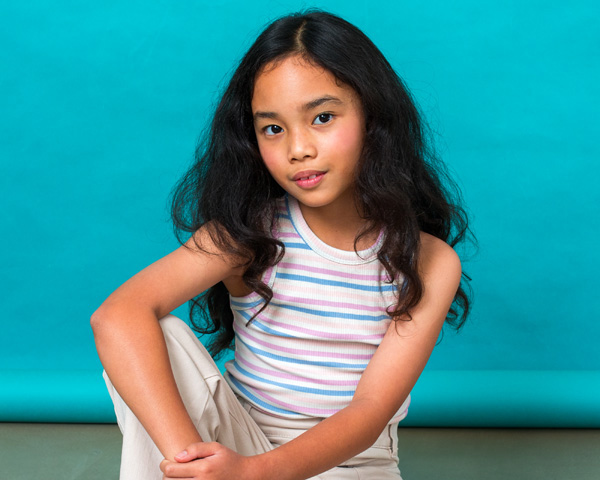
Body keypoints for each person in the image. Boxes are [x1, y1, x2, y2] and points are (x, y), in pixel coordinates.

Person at [92, 9, 472, 480]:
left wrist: (251, 475)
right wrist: (196, 465)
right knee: (155, 334)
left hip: (349, 463)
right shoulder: (247, 233)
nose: (298, 149)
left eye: (323, 117)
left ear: (373, 118)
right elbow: (115, 317)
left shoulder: (428, 260)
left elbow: (369, 411)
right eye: (273, 128)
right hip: (234, 445)